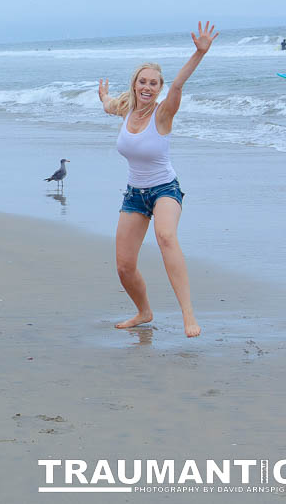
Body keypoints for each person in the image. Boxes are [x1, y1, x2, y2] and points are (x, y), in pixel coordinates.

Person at [97, 21, 219, 338]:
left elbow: (178, 85)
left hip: (165, 189)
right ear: (135, 84)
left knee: (166, 237)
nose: (148, 86)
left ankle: (188, 316)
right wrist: (104, 97)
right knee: (124, 266)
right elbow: (111, 105)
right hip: (134, 195)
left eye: (154, 83)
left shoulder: (163, 114)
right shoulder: (126, 110)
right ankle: (144, 311)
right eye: (143, 81)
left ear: (159, 88)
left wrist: (199, 53)